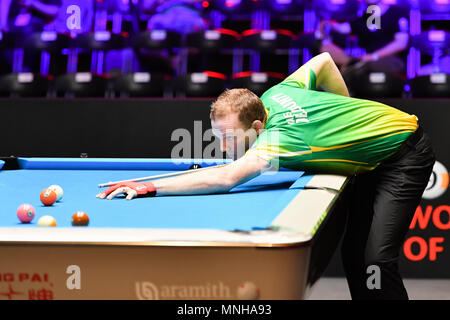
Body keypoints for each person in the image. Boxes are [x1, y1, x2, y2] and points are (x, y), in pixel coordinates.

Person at [96, 52, 435, 300]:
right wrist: (346, 114)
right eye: (218, 135)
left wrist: (148, 186)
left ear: (257, 126)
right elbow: (323, 62)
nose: (222, 144)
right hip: (373, 155)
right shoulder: (274, 96)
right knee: (354, 253)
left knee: (376, 258)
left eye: (230, 136)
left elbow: (225, 178)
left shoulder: (275, 141)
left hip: (404, 155)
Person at [317, 0, 409, 85]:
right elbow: (343, 28)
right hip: (363, 60)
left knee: (357, 68)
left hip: (391, 60)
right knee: (326, 51)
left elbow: (401, 44)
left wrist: (373, 56)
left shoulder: (397, 13)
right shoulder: (365, 17)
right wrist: (326, 23)